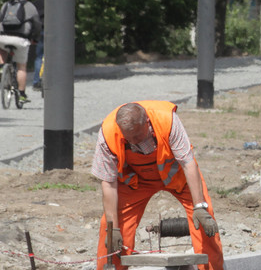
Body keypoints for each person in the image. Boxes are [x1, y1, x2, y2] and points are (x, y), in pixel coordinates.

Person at [91, 101, 223, 270]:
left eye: (137, 136)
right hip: (135, 182)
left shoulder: (167, 120)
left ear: (146, 122)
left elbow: (188, 163)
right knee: (112, 232)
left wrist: (199, 206)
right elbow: (108, 183)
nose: (133, 141)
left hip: (177, 177)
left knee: (205, 221)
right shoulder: (108, 133)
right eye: (128, 138)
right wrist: (113, 228)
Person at [0, 0, 42, 104]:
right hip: (21, 39)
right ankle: (22, 94)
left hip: (3, 36)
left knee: (1, 48)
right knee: (21, 67)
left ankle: (1, 68)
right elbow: (37, 24)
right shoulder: (30, 6)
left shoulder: (6, 4)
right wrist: (35, 38)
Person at [30, 0, 46, 91]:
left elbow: (33, 20)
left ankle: (37, 82)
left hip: (40, 32)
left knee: (39, 57)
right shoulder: (57, 2)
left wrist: (32, 35)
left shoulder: (35, 4)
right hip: (54, 33)